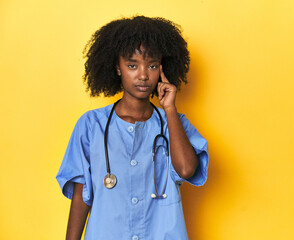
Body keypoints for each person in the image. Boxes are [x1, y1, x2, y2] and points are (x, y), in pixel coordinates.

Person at [56, 16, 209, 240]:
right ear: (117, 68)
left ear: (162, 69)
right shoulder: (91, 125)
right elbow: (82, 195)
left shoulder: (174, 122)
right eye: (132, 65)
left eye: (152, 65)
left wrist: (169, 110)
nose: (143, 75)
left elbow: (186, 170)